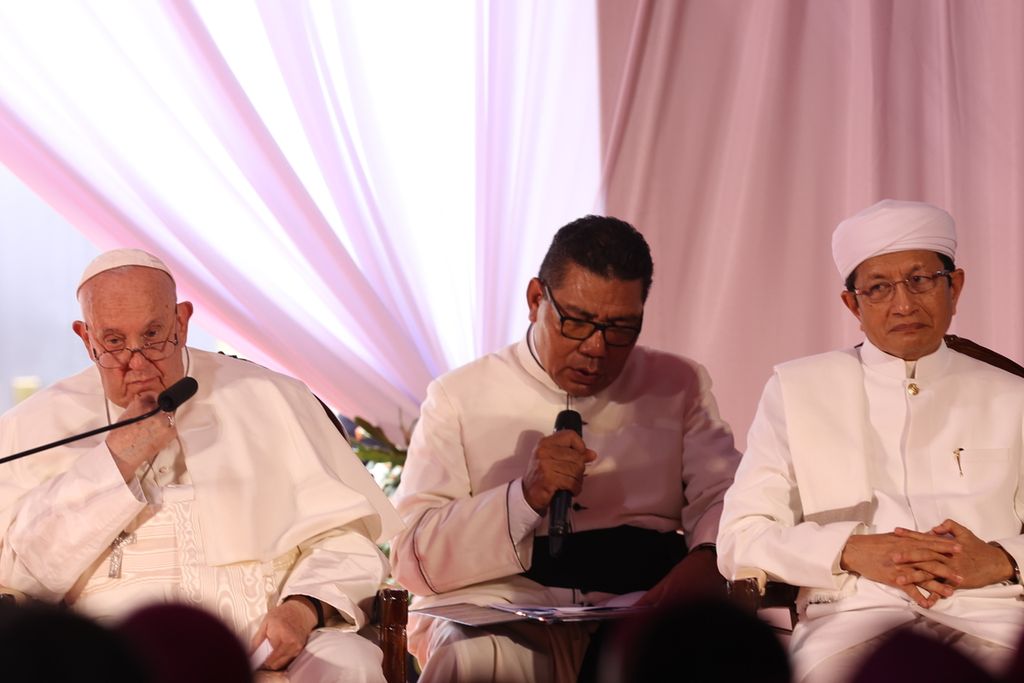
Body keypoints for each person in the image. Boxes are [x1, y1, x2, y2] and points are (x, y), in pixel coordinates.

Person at [0, 249, 403, 682]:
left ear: (182, 321)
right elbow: (24, 577)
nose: (136, 361)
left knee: (350, 664)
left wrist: (304, 608)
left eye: (153, 335)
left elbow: (347, 541)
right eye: (114, 342)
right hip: (116, 659)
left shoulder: (271, 397)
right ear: (86, 337)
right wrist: (117, 460)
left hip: (269, 651)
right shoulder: (34, 426)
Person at [390, 215, 741, 682]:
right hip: (504, 610)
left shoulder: (679, 384)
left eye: (621, 328)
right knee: (471, 661)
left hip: (643, 603)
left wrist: (707, 557)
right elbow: (413, 557)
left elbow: (725, 495)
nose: (597, 348)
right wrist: (523, 497)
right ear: (537, 300)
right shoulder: (458, 397)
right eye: (576, 322)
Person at [717, 199, 1024, 682]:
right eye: (879, 288)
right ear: (852, 304)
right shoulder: (797, 389)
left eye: (920, 280)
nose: (903, 304)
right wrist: (849, 550)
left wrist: (1004, 558)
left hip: (996, 621)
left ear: (955, 286)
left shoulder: (1013, 396)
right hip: (852, 624)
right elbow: (740, 537)